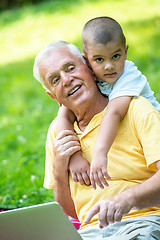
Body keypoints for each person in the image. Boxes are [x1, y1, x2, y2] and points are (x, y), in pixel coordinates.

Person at [33, 40, 160, 239]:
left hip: (143, 222)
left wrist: (126, 200)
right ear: (53, 97)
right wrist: (59, 169)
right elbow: (73, 212)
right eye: (55, 80)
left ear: (89, 67)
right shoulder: (57, 133)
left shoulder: (136, 108)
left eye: (70, 68)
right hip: (90, 234)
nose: (66, 80)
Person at [56, 17, 160, 190]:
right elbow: (64, 113)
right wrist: (73, 156)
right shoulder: (92, 77)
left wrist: (99, 154)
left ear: (125, 52)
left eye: (116, 56)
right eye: (99, 60)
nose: (109, 66)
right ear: (86, 60)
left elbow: (114, 113)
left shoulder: (129, 75)